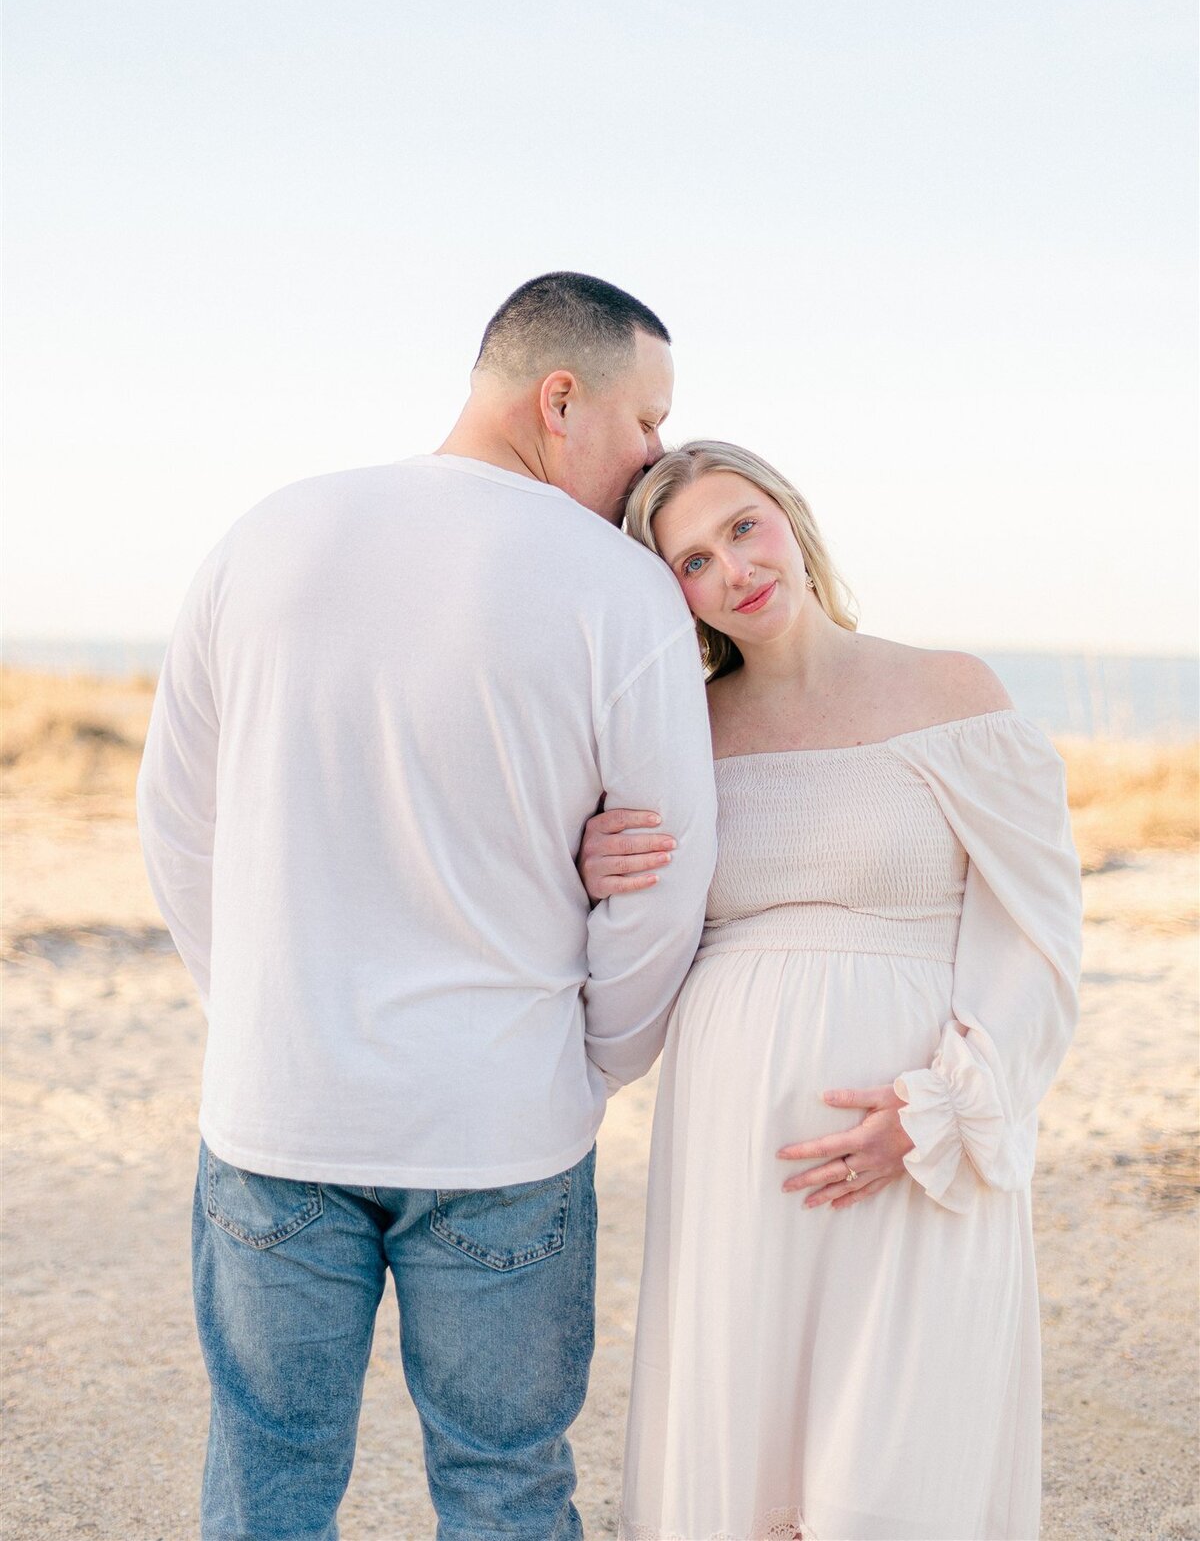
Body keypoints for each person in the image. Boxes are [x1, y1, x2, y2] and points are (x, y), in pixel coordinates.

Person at [137, 272, 718, 1541]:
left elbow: (175, 818)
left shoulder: (268, 533)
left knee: (266, 1476)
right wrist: (594, 1059)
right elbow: (665, 873)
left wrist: (259, 1013)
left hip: (277, 1107)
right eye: (646, 419)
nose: (655, 454)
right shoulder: (619, 593)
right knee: (504, 1480)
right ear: (560, 399)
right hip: (502, 1122)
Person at [579, 440, 1082, 1541]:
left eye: (742, 528)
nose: (733, 570)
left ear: (791, 520)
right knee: (745, 1458)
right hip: (735, 1148)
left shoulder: (951, 689)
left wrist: (944, 1106)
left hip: (913, 1137)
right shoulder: (680, 730)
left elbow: (1037, 932)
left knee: (893, 1461)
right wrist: (589, 866)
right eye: (692, 561)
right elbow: (631, 927)